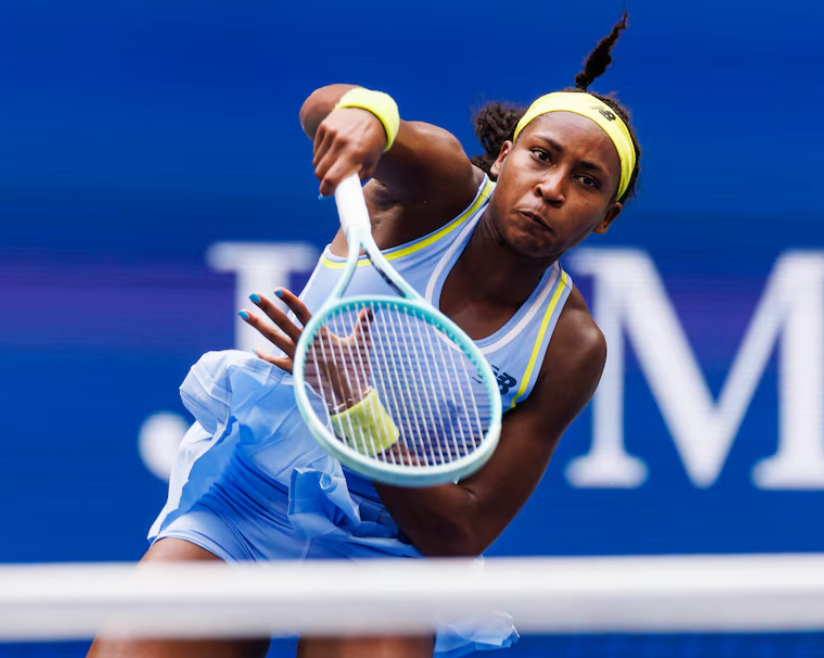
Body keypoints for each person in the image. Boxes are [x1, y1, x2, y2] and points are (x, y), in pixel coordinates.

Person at [88, 11, 641, 658]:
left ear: (607, 217)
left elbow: (458, 537)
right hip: (254, 497)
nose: (551, 188)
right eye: (541, 158)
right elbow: (329, 109)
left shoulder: (571, 345)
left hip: (384, 550)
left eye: (587, 181)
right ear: (502, 159)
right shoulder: (435, 187)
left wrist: (358, 412)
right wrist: (364, 115)